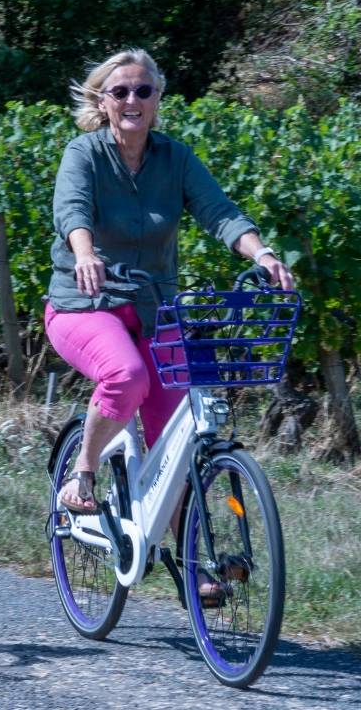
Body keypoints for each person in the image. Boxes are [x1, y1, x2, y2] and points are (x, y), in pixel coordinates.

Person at [45, 48, 294, 520]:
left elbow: (219, 212)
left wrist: (261, 253)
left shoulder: (175, 159)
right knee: (127, 376)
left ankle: (192, 565)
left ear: (158, 98)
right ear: (103, 102)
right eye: (120, 92)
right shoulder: (84, 154)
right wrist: (84, 252)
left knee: (176, 435)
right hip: (85, 304)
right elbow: (72, 210)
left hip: (155, 307)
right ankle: (84, 469)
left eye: (144, 90)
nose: (132, 99)